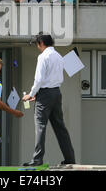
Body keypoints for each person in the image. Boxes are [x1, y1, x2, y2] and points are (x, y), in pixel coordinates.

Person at [22, 33, 75, 166]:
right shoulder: (58, 56)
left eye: (37, 44)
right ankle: (70, 158)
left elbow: (39, 79)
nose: (37, 47)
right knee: (60, 127)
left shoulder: (43, 56)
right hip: (57, 93)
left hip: (44, 94)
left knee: (40, 126)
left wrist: (31, 93)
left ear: (41, 43)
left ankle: (37, 159)